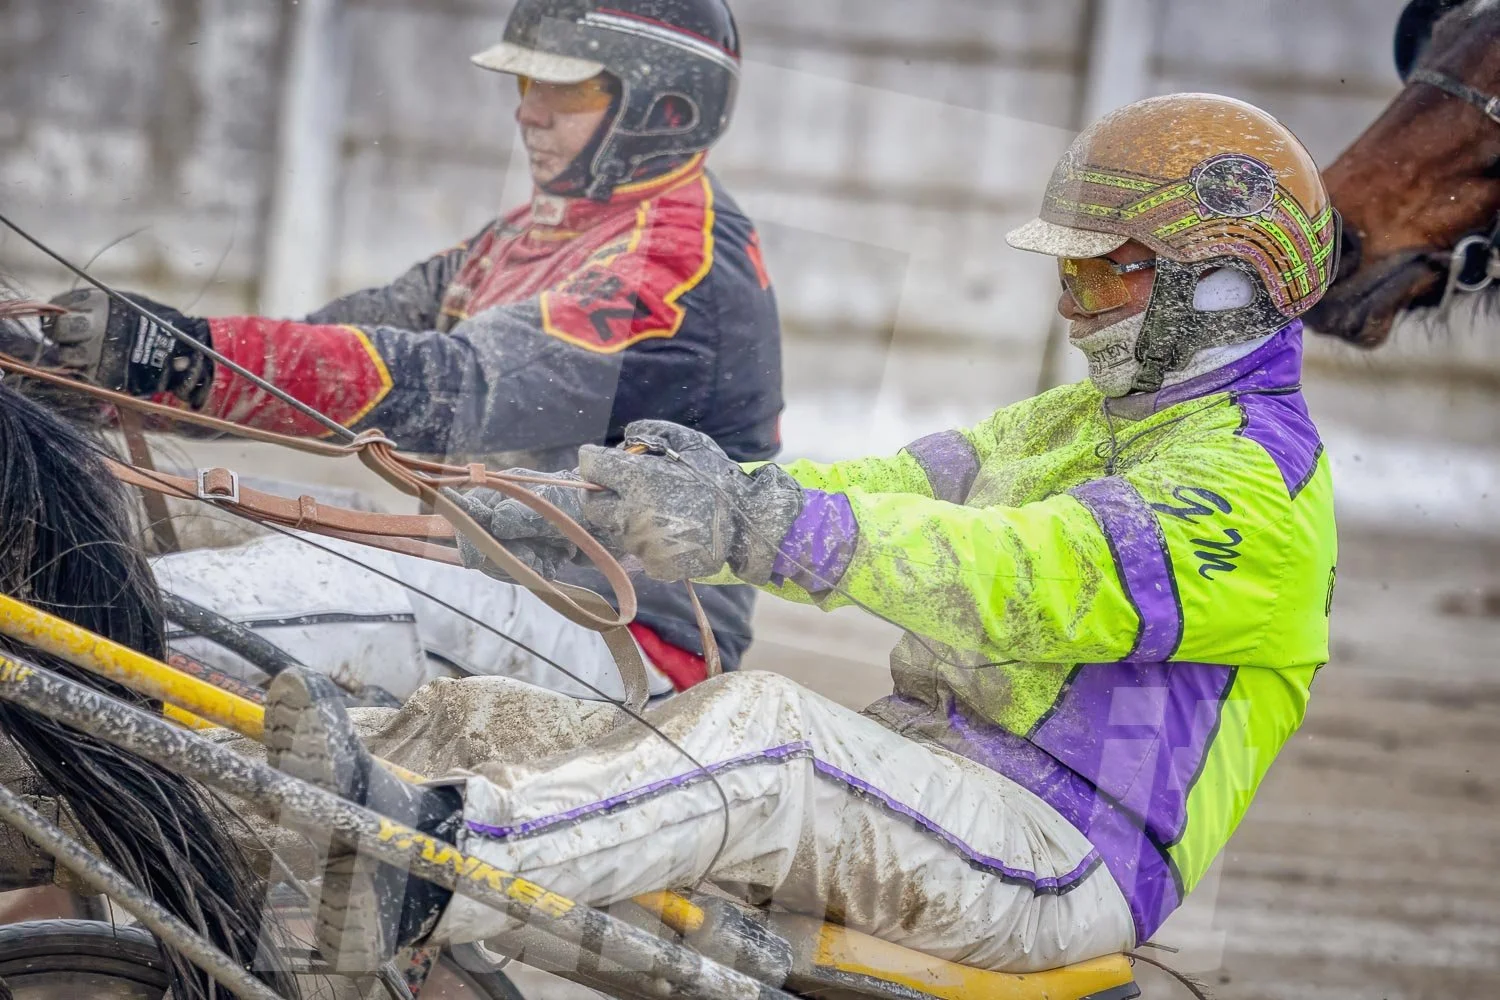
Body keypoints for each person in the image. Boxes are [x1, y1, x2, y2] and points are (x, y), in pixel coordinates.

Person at [264, 92, 1341, 973]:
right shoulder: (1069, 420)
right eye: (1067, 270)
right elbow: (883, 485)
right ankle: (272, 873)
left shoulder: (1257, 487)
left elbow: (1027, 576)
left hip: (1058, 855)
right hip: (929, 783)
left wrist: (763, 526)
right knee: (484, 715)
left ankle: (432, 868)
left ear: (1229, 279)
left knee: (771, 733)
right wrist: (634, 503)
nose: (1073, 302)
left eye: (1108, 267)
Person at [29, 0, 782, 693]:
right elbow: (336, 345)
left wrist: (183, 356)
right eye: (526, 81)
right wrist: (83, 381)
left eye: (569, 90)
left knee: (148, 612)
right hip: (492, 570)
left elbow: (450, 387)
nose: (529, 112)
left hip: (620, 640)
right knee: (102, 507)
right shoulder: (539, 233)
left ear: (666, 107)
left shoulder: (679, 261)